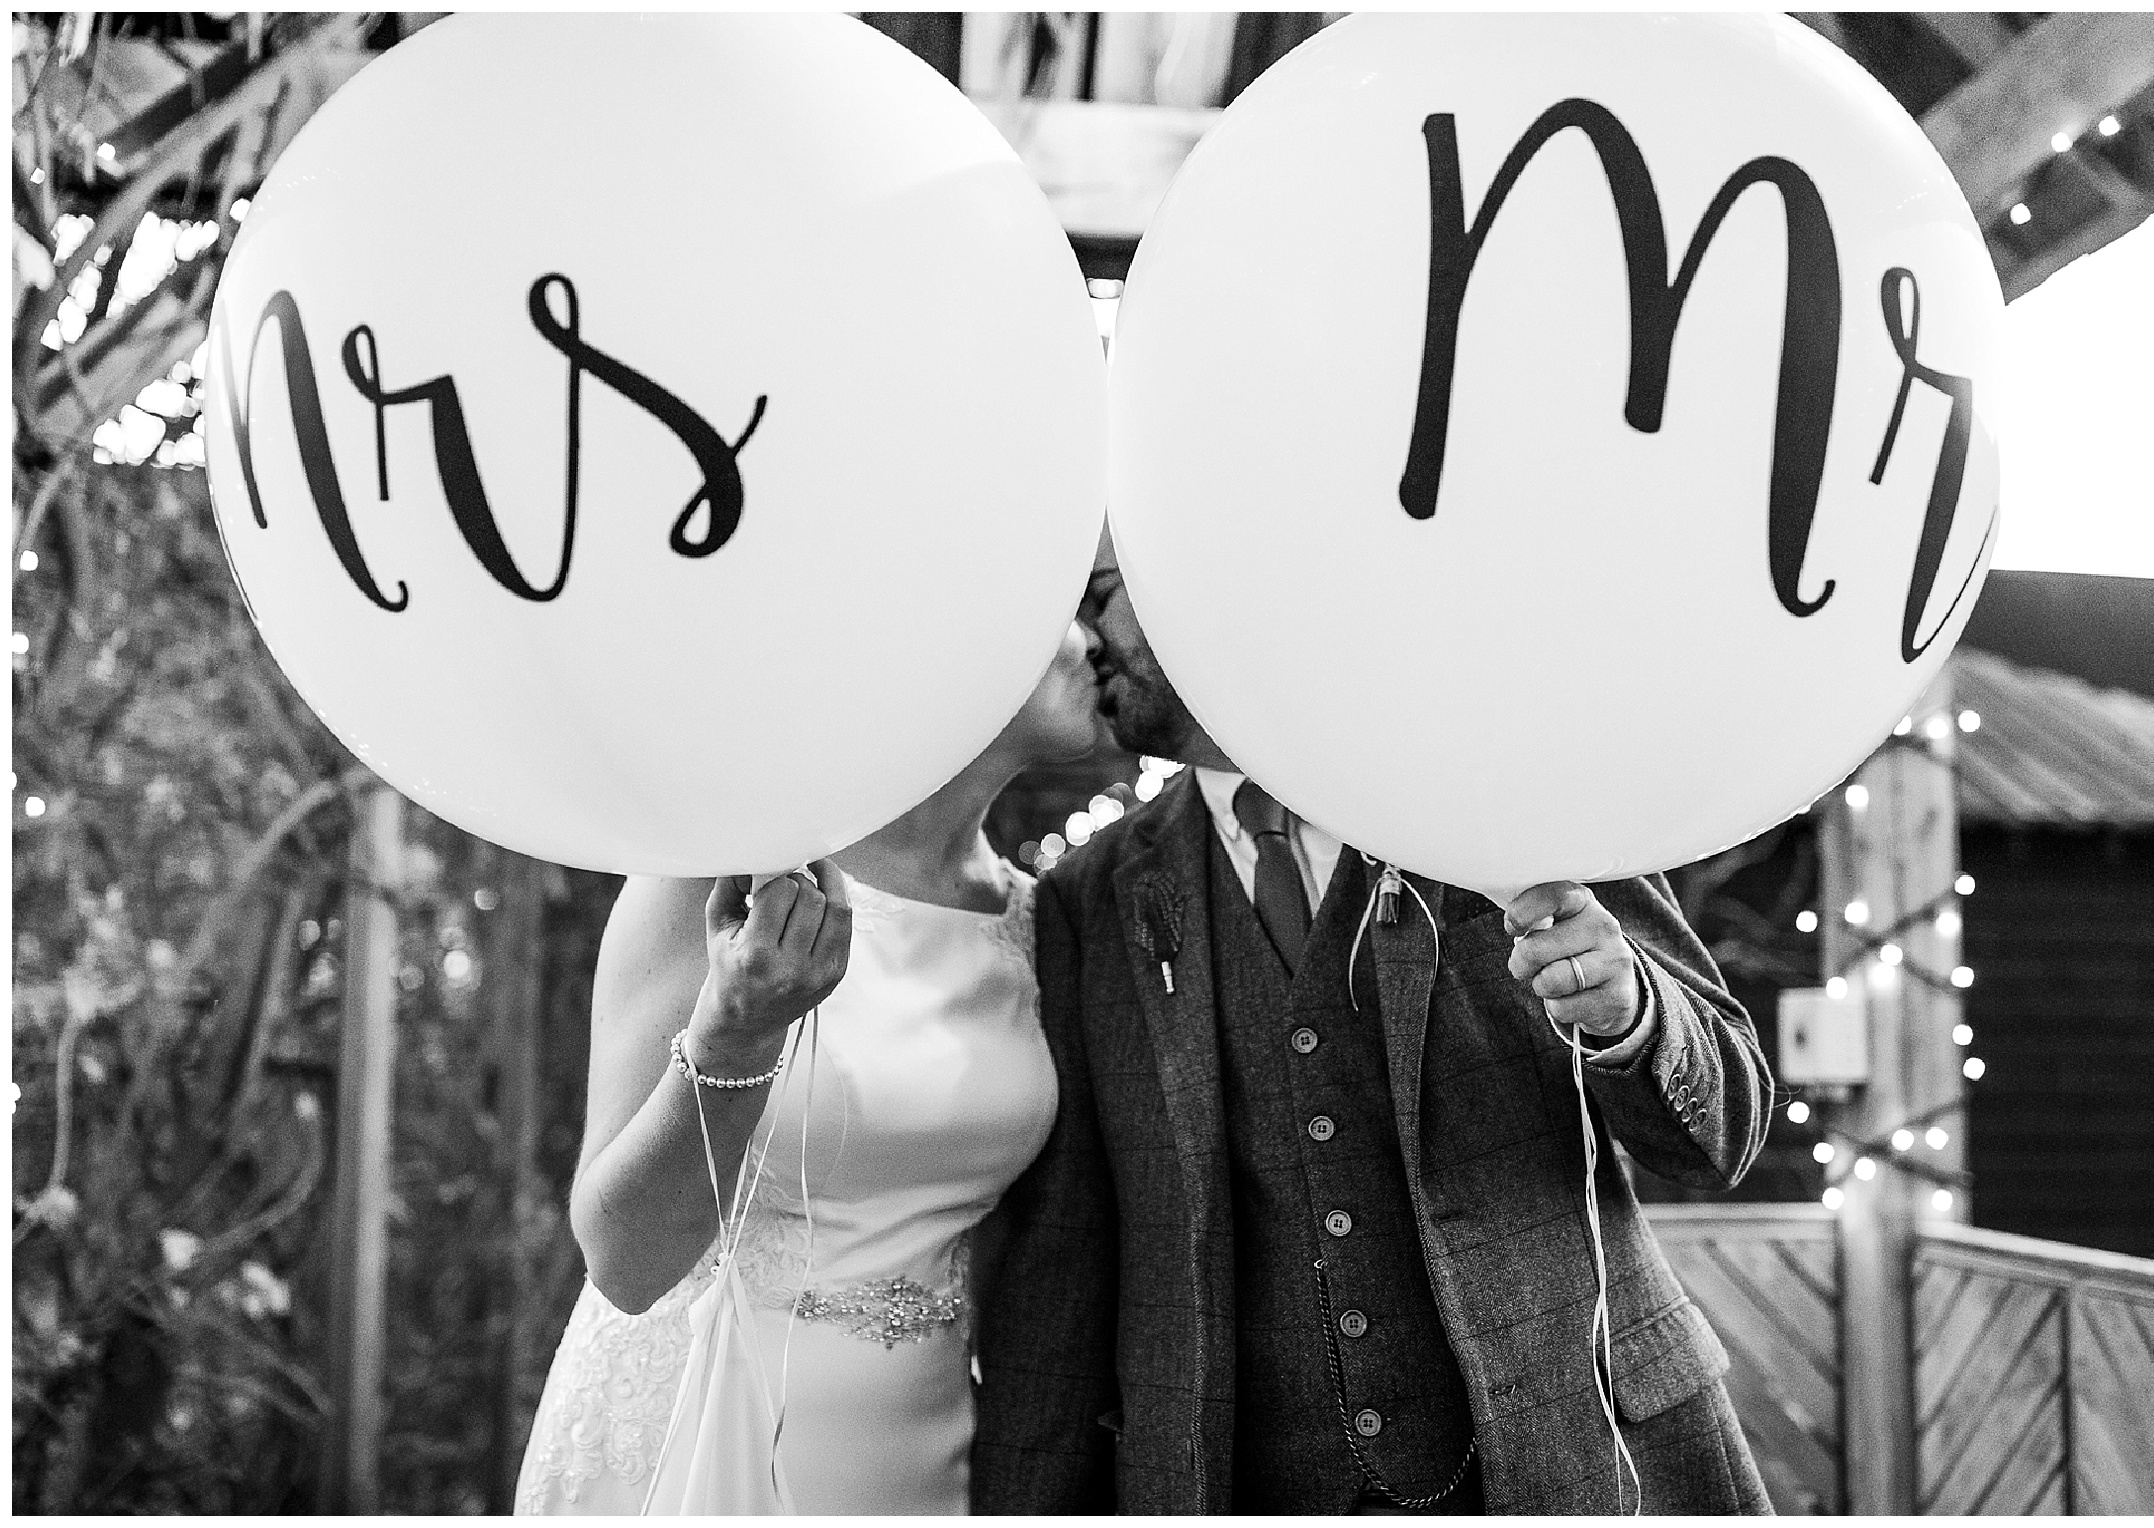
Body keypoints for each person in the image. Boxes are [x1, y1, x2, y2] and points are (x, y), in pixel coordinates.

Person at [970, 532, 1778, 1515]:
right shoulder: (1087, 901)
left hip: (1582, 1459)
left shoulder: (1505, 773)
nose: (1081, 637)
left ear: (1206, 576)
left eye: (1099, 594)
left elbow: (1725, 1126)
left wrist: (1633, 1012)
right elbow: (1059, 1281)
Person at [515, 620, 1105, 1515]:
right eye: (1069, 599)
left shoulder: (1034, 920)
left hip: (924, 1459)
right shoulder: (728, 871)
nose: (1094, 635)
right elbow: (624, 1259)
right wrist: (736, 1031)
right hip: (702, 1442)